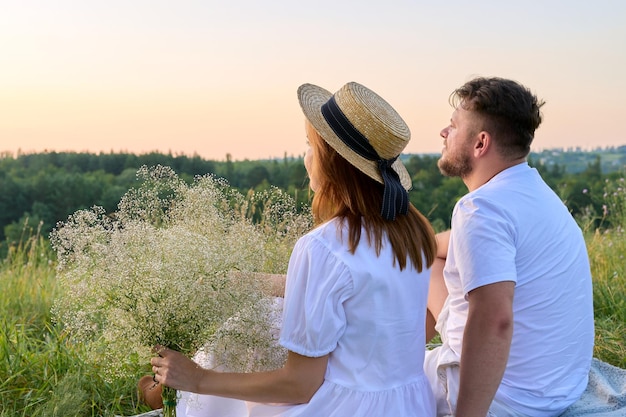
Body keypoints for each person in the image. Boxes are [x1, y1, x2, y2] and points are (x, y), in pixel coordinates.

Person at [151, 81, 439, 416]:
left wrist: (198, 378)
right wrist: (244, 282)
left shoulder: (322, 247)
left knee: (235, 383)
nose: (306, 159)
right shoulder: (414, 234)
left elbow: (300, 386)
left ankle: (163, 393)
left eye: (310, 146)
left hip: (347, 410)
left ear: (331, 161)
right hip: (410, 405)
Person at [425, 77, 594, 417]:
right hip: (557, 387)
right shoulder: (533, 192)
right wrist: (425, 244)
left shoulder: (482, 209)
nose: (444, 132)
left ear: (480, 143)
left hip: (508, 399)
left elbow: (495, 320)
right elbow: (443, 246)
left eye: (454, 126)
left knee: (373, 383)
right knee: (427, 260)